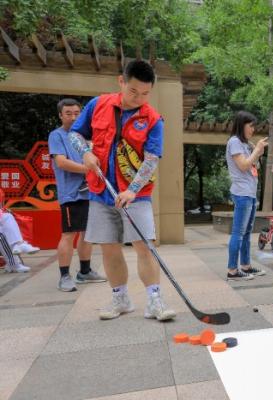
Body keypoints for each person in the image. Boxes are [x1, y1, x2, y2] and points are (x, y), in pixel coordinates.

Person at [68, 60, 175, 321]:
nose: (139, 98)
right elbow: (74, 135)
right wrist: (86, 153)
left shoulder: (152, 119)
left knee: (143, 245)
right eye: (133, 91)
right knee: (109, 247)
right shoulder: (97, 105)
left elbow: (151, 160)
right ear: (121, 82)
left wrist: (132, 191)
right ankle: (121, 298)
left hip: (135, 196)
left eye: (146, 93)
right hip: (100, 192)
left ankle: (154, 300)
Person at [49, 98, 106, 292]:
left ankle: (85, 271)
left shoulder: (84, 136)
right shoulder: (57, 135)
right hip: (71, 194)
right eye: (68, 113)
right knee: (68, 234)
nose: (73, 117)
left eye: (76, 113)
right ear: (60, 115)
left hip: (90, 193)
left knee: (87, 234)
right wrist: (88, 169)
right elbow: (61, 162)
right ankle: (64, 276)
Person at [225, 111, 268, 280]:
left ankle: (246, 266)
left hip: (249, 193)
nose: (253, 129)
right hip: (242, 193)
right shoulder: (234, 142)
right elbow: (243, 166)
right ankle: (232, 270)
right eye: (251, 126)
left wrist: (257, 152)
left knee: (247, 232)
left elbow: (253, 166)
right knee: (238, 232)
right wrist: (256, 150)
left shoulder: (244, 144)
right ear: (241, 125)